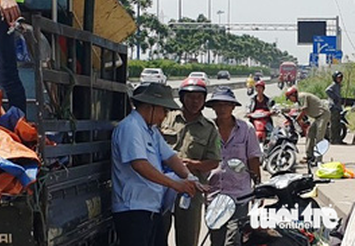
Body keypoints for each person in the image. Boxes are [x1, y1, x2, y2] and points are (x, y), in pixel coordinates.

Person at [112, 82, 202, 246]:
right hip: (133, 210)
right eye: (163, 110)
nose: (165, 116)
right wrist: (175, 184)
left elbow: (170, 157)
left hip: (151, 208)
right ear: (150, 106)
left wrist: (190, 177)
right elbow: (140, 165)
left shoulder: (151, 131)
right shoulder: (131, 127)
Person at [157, 77, 221, 246]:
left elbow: (214, 161)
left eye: (199, 98)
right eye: (191, 97)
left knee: (187, 238)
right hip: (161, 186)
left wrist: (193, 165)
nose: (195, 101)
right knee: (156, 234)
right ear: (182, 97)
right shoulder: (166, 118)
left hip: (191, 190)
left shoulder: (210, 128)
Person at [207, 87, 262, 246]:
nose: (222, 108)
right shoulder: (208, 129)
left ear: (232, 107)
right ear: (213, 107)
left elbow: (253, 159)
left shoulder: (246, 129)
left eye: (226, 104)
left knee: (233, 240)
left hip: (239, 195)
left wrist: (258, 188)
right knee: (216, 240)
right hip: (214, 195)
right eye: (218, 104)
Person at [284, 86, 331, 163]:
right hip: (316, 117)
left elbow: (304, 111)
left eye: (289, 98)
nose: (290, 100)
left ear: (293, 95)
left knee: (319, 137)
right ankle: (309, 156)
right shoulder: (299, 101)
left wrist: (296, 120)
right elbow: (297, 110)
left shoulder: (301, 96)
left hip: (323, 115)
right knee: (310, 134)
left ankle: (318, 160)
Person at [326, 71, 344, 144]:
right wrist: (335, 98)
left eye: (340, 78)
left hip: (338, 107)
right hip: (333, 107)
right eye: (338, 78)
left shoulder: (338, 86)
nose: (339, 79)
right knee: (333, 125)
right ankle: (333, 139)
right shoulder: (333, 85)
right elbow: (327, 90)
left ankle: (338, 139)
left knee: (338, 124)